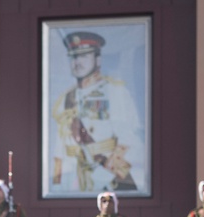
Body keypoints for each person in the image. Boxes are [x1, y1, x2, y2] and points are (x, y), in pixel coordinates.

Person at [51, 31, 143, 193]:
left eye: (84, 56)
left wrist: (105, 170)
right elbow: (61, 146)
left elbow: (128, 139)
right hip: (75, 177)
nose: (77, 62)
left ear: (98, 60)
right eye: (74, 57)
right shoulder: (67, 97)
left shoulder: (114, 91)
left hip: (108, 176)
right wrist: (57, 183)